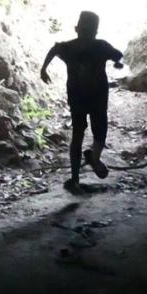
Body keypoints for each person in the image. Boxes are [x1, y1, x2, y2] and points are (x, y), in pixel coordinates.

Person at [40, 10, 124, 191]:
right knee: (98, 133)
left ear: (76, 29)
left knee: (78, 135)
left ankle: (76, 177)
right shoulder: (101, 46)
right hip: (97, 97)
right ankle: (92, 159)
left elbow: (54, 49)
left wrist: (44, 69)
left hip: (78, 97)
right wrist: (117, 62)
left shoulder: (69, 47)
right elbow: (118, 55)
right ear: (96, 32)